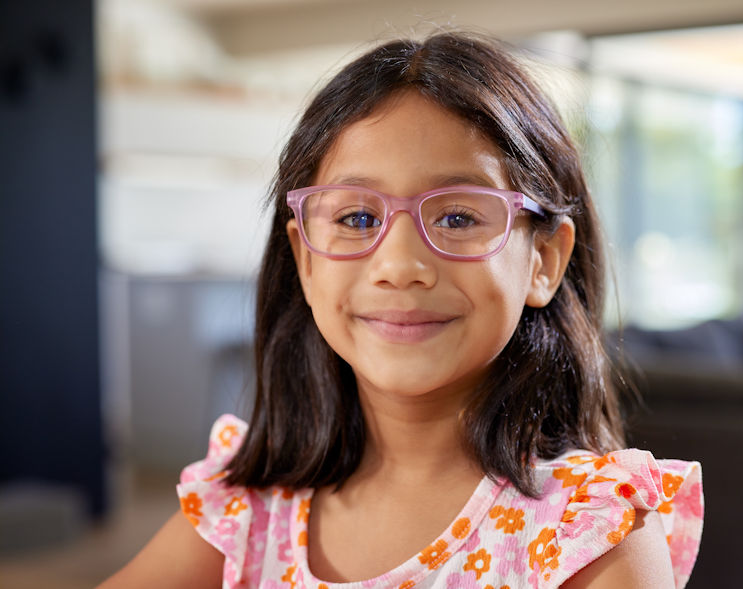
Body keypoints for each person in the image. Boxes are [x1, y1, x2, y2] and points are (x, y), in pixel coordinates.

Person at [100, 31, 703, 589]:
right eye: (357, 218)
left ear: (544, 259)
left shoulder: (591, 529)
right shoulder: (247, 509)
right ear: (305, 260)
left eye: (458, 216)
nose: (399, 265)